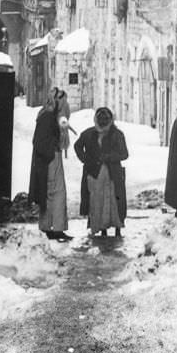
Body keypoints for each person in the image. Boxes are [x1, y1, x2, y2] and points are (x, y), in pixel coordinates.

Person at [74, 106, 129, 238]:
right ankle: (102, 228)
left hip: (113, 174)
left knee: (114, 202)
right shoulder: (89, 134)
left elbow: (124, 154)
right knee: (98, 201)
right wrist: (86, 159)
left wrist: (110, 157)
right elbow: (77, 146)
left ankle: (117, 228)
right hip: (95, 174)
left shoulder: (117, 135)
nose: (103, 127)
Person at [29, 87, 73, 241]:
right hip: (50, 159)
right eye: (64, 102)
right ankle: (55, 228)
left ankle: (50, 227)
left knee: (50, 194)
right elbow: (39, 141)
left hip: (49, 159)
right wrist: (52, 148)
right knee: (56, 193)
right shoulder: (47, 116)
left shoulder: (48, 115)